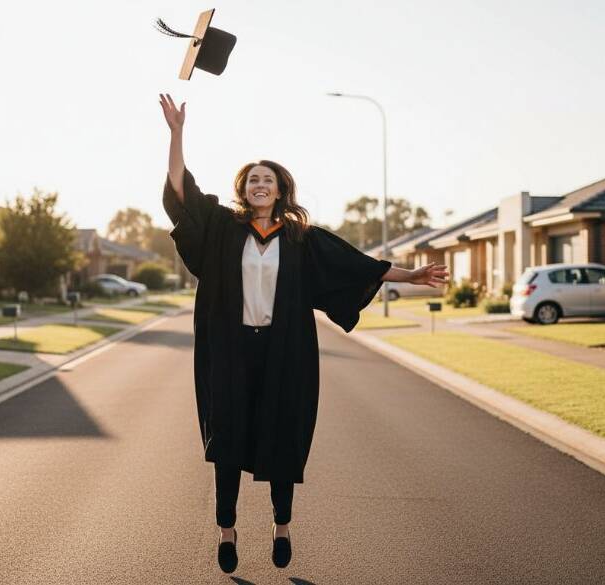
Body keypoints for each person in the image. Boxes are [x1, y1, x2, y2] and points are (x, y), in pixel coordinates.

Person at [159, 94, 449, 574]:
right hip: (230, 353)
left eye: (267, 180)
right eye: (252, 179)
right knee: (226, 439)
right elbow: (181, 195)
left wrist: (411, 275)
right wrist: (176, 134)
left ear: (280, 190)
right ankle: (227, 532)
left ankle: (281, 526)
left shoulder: (301, 240)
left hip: (283, 353)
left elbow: (357, 266)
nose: (259, 185)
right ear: (243, 189)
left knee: (282, 433)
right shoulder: (222, 230)